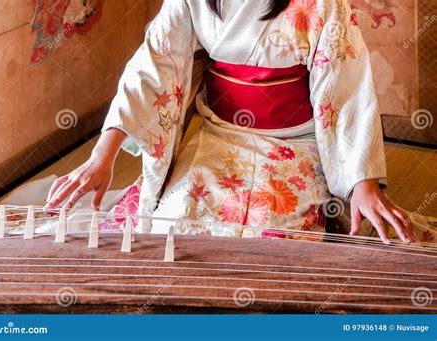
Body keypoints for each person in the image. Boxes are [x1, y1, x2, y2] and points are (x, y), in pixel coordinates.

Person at [45, 0, 417, 244]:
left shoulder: (322, 4)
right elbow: (153, 63)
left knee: (271, 236)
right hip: (219, 134)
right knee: (176, 222)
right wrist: (102, 156)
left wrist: (362, 182)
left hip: (294, 142)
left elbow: (346, 87)